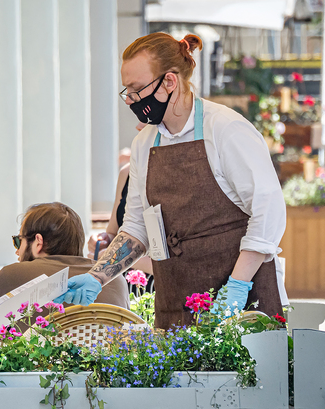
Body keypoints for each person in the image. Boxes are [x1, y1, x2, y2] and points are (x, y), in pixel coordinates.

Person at [57, 33, 286, 329]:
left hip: (242, 299)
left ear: (169, 82)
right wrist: (97, 275)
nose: (131, 100)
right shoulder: (144, 144)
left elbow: (269, 212)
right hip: (174, 298)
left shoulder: (226, 129)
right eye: (126, 91)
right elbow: (138, 226)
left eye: (137, 90)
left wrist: (238, 286)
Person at [0, 202, 129, 311]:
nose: (17, 252)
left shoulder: (12, 274)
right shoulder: (114, 279)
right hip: (103, 349)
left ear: (38, 242)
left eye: (18, 241)